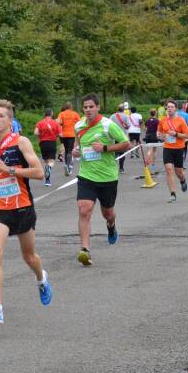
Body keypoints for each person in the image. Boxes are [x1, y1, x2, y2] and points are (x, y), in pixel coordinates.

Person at [0, 100, 52, 324]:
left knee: (29, 257)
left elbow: (40, 172)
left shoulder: (21, 142)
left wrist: (9, 169)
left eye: (1, 116)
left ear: (10, 121)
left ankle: (41, 278)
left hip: (22, 206)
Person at [73, 95, 130, 266]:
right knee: (84, 210)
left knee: (107, 213)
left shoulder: (108, 125)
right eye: (85, 107)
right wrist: (76, 152)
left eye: (91, 106)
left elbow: (126, 144)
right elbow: (79, 146)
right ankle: (85, 250)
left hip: (107, 177)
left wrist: (105, 148)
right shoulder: (78, 126)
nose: (88, 110)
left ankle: (111, 225)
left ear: (98, 107)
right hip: (86, 175)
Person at [158, 100, 188, 202]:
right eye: (168, 107)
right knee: (168, 169)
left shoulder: (180, 120)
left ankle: (183, 180)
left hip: (179, 148)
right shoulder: (163, 121)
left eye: (172, 107)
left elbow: (187, 135)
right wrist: (159, 136)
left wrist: (175, 134)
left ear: (175, 108)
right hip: (167, 148)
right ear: (166, 108)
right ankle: (172, 194)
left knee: (178, 171)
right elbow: (159, 133)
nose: (170, 109)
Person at [34, 108, 62, 186]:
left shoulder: (40, 123)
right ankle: (48, 169)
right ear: (52, 114)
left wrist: (41, 134)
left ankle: (47, 180)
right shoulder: (56, 123)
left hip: (43, 143)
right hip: (52, 143)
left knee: (46, 161)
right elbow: (60, 134)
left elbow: (35, 133)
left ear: (45, 114)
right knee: (51, 161)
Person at [56, 101, 80, 176]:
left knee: (66, 150)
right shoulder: (75, 114)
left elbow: (58, 122)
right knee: (70, 150)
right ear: (71, 107)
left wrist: (62, 123)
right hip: (72, 134)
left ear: (65, 107)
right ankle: (68, 165)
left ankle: (66, 164)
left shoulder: (61, 114)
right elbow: (79, 123)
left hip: (64, 134)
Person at [109, 104, 131, 173]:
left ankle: (114, 167)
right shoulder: (126, 116)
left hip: (113, 137)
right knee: (122, 153)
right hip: (122, 137)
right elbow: (128, 126)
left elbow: (108, 124)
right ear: (123, 109)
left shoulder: (112, 116)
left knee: (114, 152)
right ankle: (121, 168)